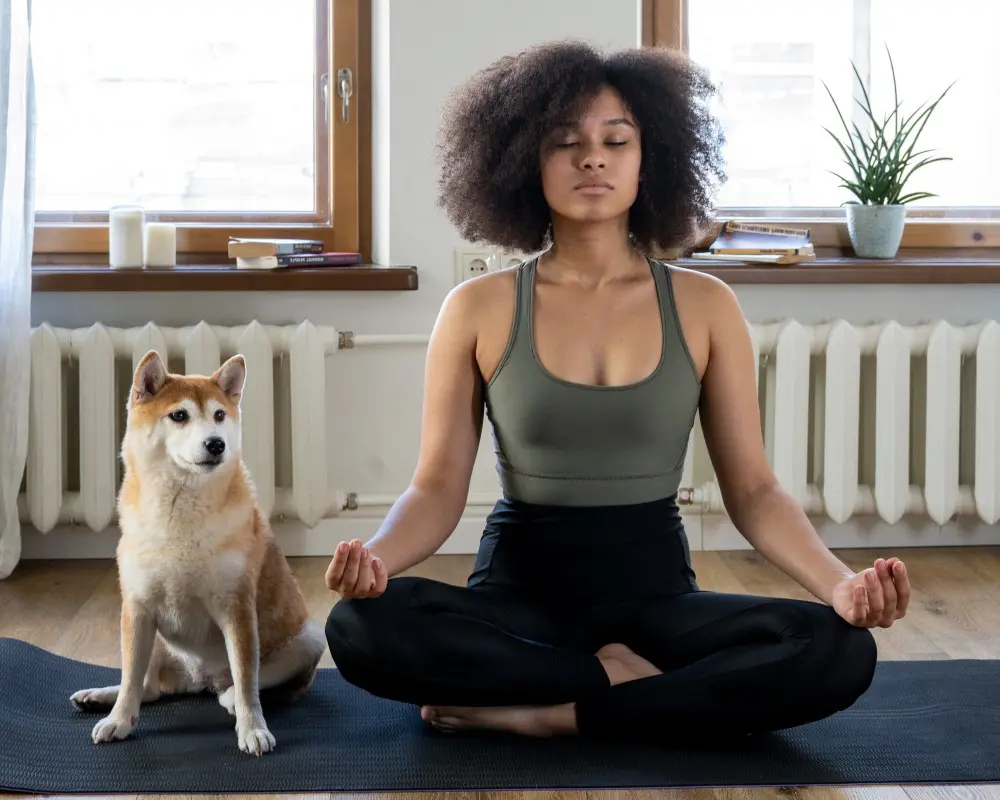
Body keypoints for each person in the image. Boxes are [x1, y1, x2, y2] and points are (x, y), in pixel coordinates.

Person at [322, 40, 910, 743]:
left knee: (839, 648)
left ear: (648, 159)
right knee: (359, 627)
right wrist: (379, 561)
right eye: (565, 143)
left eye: (616, 140)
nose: (592, 158)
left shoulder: (705, 305)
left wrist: (840, 585)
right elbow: (438, 487)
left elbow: (753, 491)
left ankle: (555, 711)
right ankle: (625, 688)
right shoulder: (477, 308)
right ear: (523, 164)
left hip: (657, 598)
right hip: (519, 597)